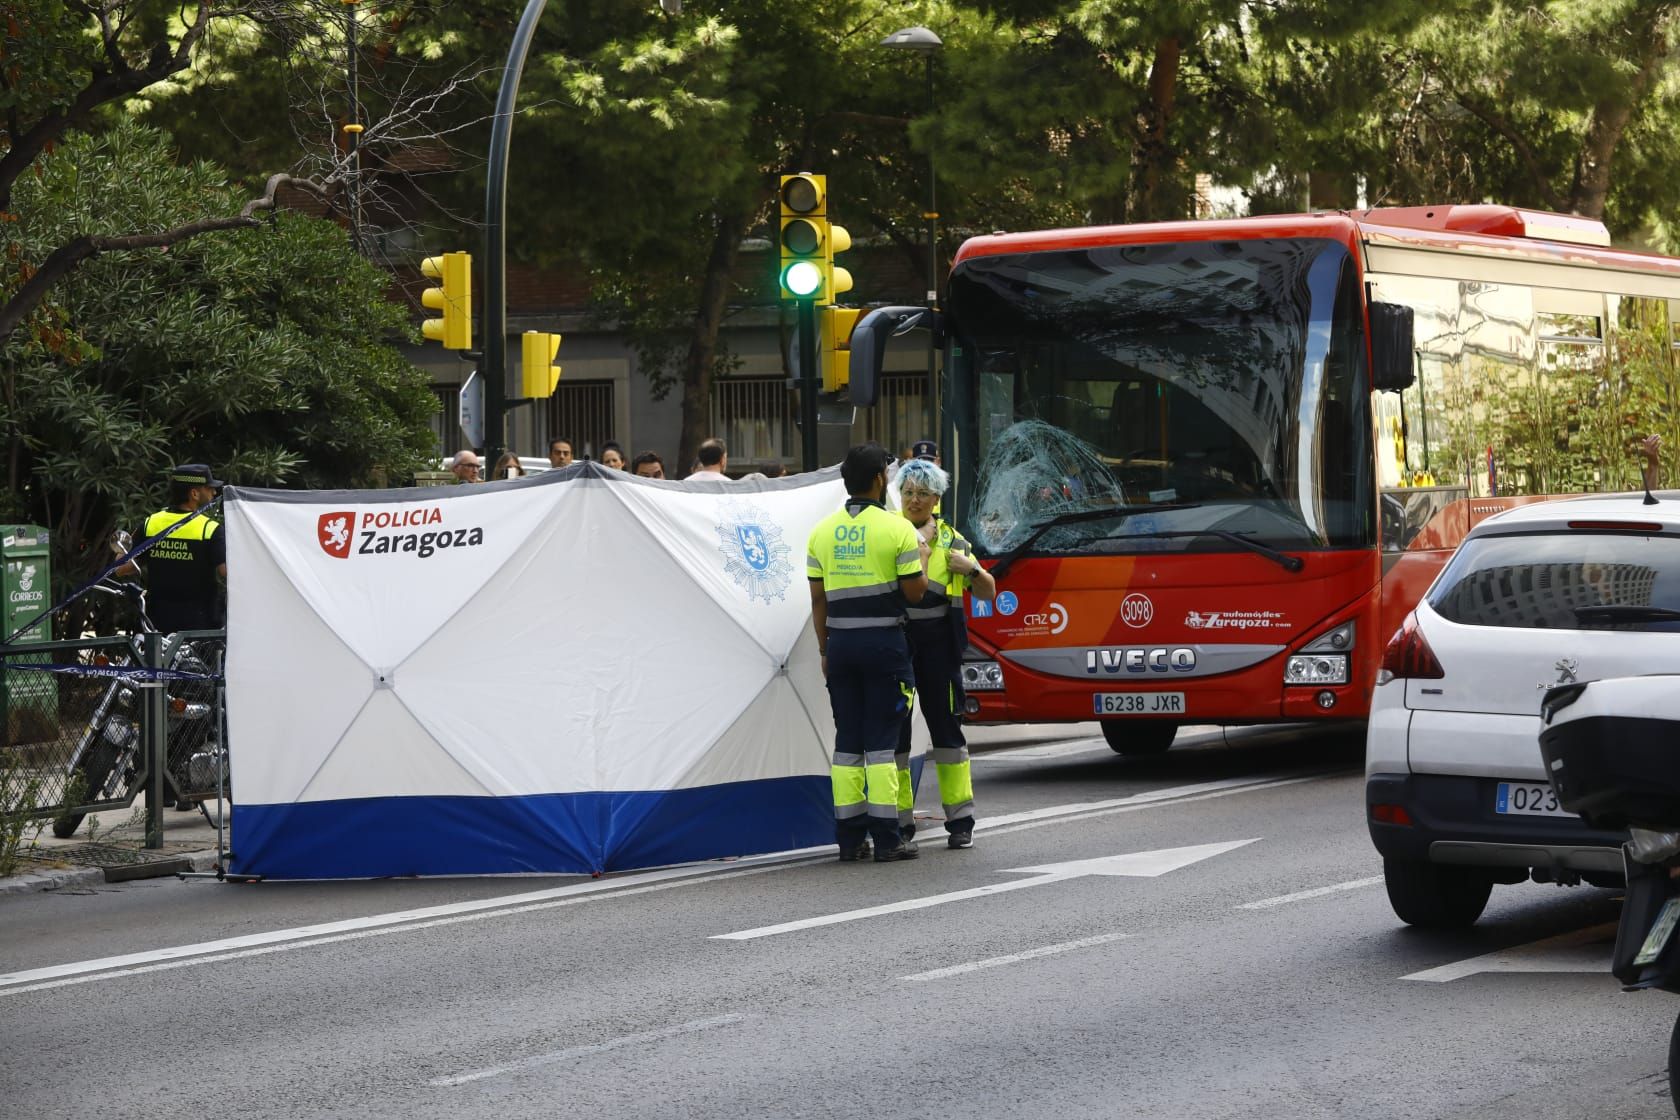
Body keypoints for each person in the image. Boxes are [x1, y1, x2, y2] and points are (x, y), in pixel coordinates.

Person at [807, 443, 930, 862]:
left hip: (840, 647)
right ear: (880, 479)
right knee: (881, 742)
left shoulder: (821, 532)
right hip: (884, 647)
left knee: (847, 742)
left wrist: (825, 648)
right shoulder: (898, 530)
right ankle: (888, 839)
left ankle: (849, 838)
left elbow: (818, 602)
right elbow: (914, 594)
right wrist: (925, 560)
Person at [893, 457, 997, 849]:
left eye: (922, 493)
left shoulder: (955, 541)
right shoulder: (891, 534)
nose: (914, 500)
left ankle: (961, 821)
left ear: (936, 497)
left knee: (948, 732)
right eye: (907, 492)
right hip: (899, 642)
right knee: (897, 734)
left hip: (939, 644)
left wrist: (970, 569)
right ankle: (901, 824)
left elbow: (989, 591)